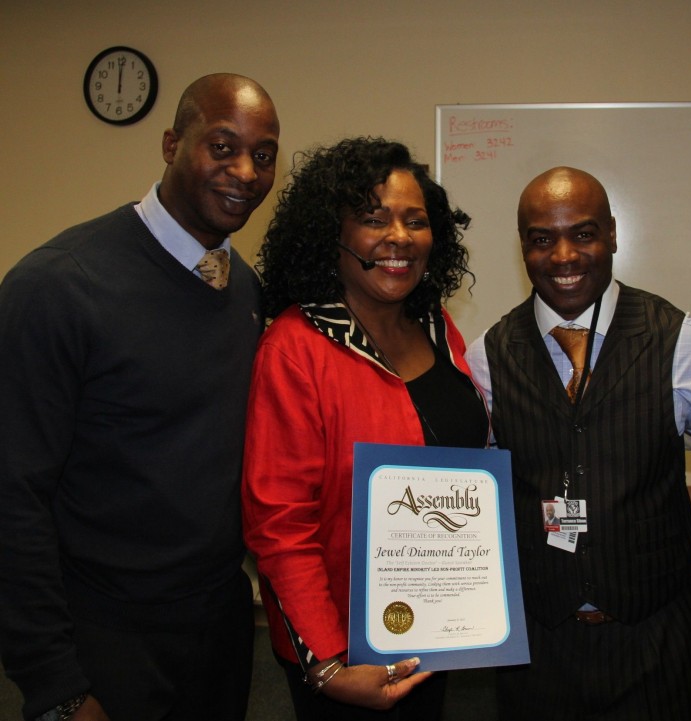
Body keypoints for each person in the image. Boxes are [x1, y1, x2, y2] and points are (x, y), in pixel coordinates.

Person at [0, 74, 280, 720]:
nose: (245, 170)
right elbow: (14, 494)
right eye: (221, 145)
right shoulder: (59, 286)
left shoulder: (244, 290)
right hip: (101, 640)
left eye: (263, 155)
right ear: (169, 143)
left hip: (219, 633)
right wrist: (56, 685)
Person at [465, 166, 691, 720]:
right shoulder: (486, 357)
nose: (564, 256)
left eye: (585, 233)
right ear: (523, 245)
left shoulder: (686, 345)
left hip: (653, 637)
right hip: (538, 643)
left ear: (614, 234)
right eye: (542, 239)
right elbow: (471, 494)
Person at [242, 137, 488, 720]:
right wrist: (327, 663)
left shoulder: (438, 326)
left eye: (415, 220)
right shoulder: (295, 347)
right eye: (374, 219)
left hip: (434, 629)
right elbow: (278, 525)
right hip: (348, 653)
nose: (398, 237)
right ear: (334, 234)